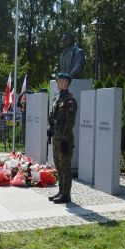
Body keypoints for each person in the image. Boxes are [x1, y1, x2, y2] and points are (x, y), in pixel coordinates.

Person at [47, 73, 78, 204]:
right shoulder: (57, 98)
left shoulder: (70, 100)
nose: (57, 82)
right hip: (56, 138)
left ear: (65, 82)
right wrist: (50, 129)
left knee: (65, 167)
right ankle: (61, 191)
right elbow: (51, 116)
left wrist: (65, 138)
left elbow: (70, 122)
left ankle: (66, 195)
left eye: (59, 80)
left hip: (65, 139)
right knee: (58, 166)